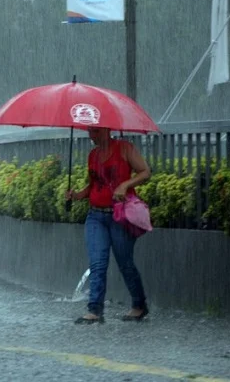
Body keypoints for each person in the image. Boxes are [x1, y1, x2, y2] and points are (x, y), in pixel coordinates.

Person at [65, 127, 151, 324]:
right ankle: (94, 310)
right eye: (89, 131)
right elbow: (95, 185)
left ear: (106, 129)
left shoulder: (124, 149)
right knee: (98, 263)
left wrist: (125, 185)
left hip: (120, 216)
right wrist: (77, 195)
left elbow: (146, 172)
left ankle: (139, 305)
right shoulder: (93, 155)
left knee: (125, 263)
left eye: (95, 131)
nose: (91, 136)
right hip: (95, 216)